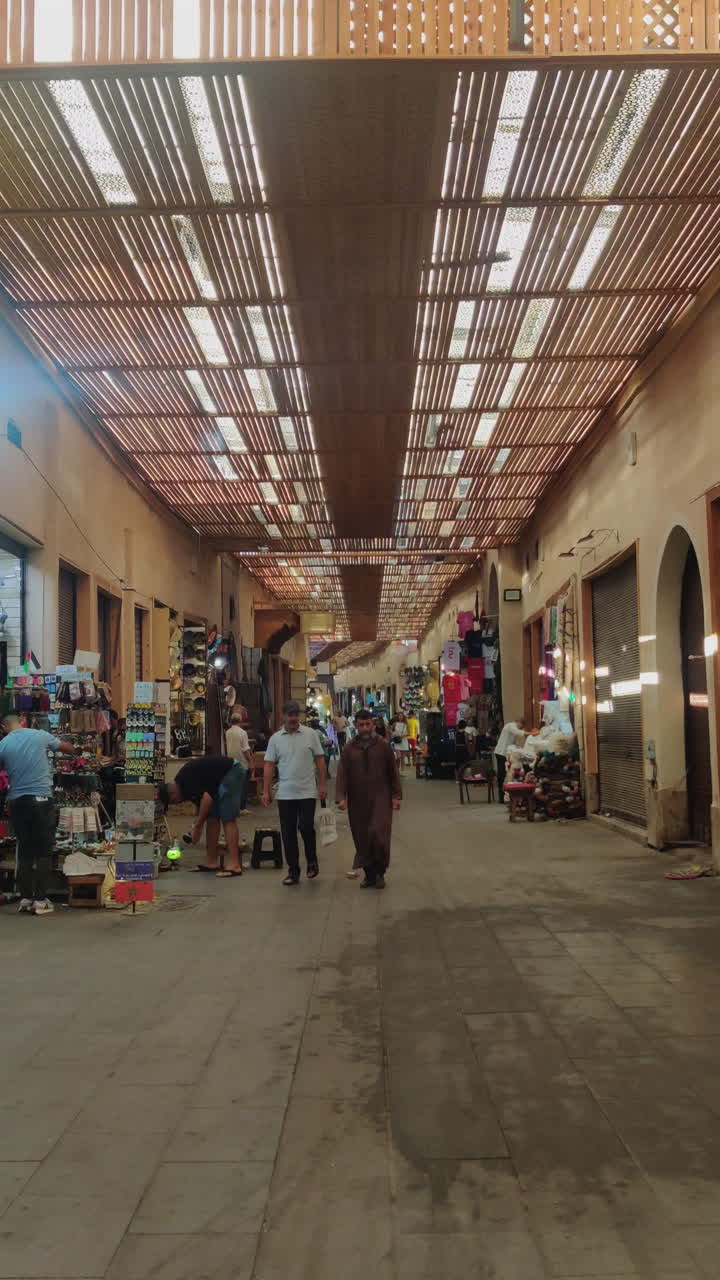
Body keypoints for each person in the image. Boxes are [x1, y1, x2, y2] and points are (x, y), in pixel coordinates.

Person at [0, 715, 77, 914]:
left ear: (3, 727)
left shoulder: (3, 744)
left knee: (25, 850)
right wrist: (76, 750)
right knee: (43, 851)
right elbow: (67, 749)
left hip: (17, 801)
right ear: (23, 722)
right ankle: (40, 900)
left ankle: (26, 898)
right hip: (41, 799)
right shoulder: (39, 735)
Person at [263, 701, 327, 886]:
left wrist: (322, 785)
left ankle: (312, 862)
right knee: (288, 832)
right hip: (285, 794)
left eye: (295, 715)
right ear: (283, 716)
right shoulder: (275, 739)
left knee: (306, 827)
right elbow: (268, 765)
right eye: (289, 715)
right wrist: (265, 791)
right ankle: (293, 870)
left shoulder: (311, 734)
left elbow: (320, 760)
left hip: (307, 791)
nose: (293, 719)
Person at [336, 708, 401, 889]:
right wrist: (341, 796)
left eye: (367, 724)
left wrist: (396, 796)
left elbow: (393, 772)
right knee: (362, 837)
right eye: (361, 725)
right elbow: (342, 773)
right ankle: (369, 875)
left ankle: (380, 873)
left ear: (372, 724)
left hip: (381, 797)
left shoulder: (383, 745)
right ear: (356, 726)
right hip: (357, 800)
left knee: (378, 835)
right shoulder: (349, 748)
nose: (365, 728)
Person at [159, 755, 245, 877]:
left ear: (173, 793)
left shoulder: (186, 780)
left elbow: (207, 799)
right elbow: (203, 808)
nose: (177, 803)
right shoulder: (184, 788)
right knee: (211, 817)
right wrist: (196, 825)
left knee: (228, 817)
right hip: (217, 780)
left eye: (174, 801)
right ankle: (212, 862)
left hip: (231, 771)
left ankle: (235, 865)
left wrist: (198, 826)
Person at [494, 715, 527, 802]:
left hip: (506, 754)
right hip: (501, 753)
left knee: (507, 775)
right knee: (502, 775)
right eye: (522, 726)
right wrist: (529, 733)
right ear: (519, 722)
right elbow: (517, 732)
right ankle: (501, 798)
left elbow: (513, 742)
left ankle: (507, 797)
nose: (522, 728)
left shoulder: (514, 728)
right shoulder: (510, 726)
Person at [226, 710, 253, 816]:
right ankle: (242, 807)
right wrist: (251, 761)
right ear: (240, 721)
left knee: (233, 786)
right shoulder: (242, 733)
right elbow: (245, 750)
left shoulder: (228, 732)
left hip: (231, 762)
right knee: (243, 786)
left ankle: (233, 806)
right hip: (242, 762)